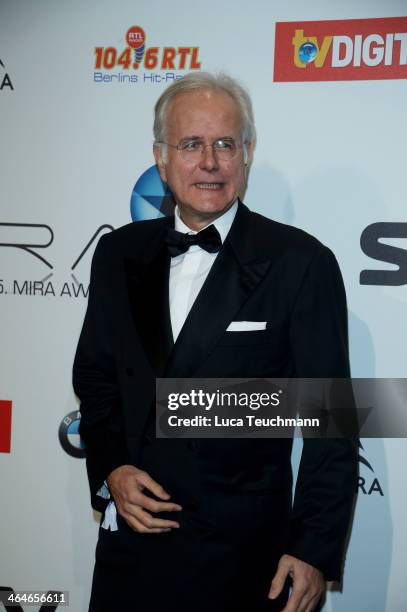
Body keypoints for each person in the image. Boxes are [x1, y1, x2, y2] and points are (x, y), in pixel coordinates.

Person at [73, 72, 357, 612]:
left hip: (243, 559)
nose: (209, 162)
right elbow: (96, 376)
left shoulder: (301, 263)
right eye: (191, 144)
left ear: (247, 154)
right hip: (131, 550)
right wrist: (111, 466)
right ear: (161, 157)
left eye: (225, 144)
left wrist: (313, 549)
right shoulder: (118, 254)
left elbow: (331, 418)